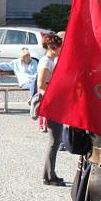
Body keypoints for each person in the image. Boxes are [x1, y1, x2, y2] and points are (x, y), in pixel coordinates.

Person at [37, 33, 64, 186]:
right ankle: (48, 175)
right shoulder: (46, 62)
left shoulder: (51, 61)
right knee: (54, 141)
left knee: (56, 140)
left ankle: (50, 173)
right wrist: (57, 89)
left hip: (54, 102)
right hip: (51, 102)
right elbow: (41, 85)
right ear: (53, 48)